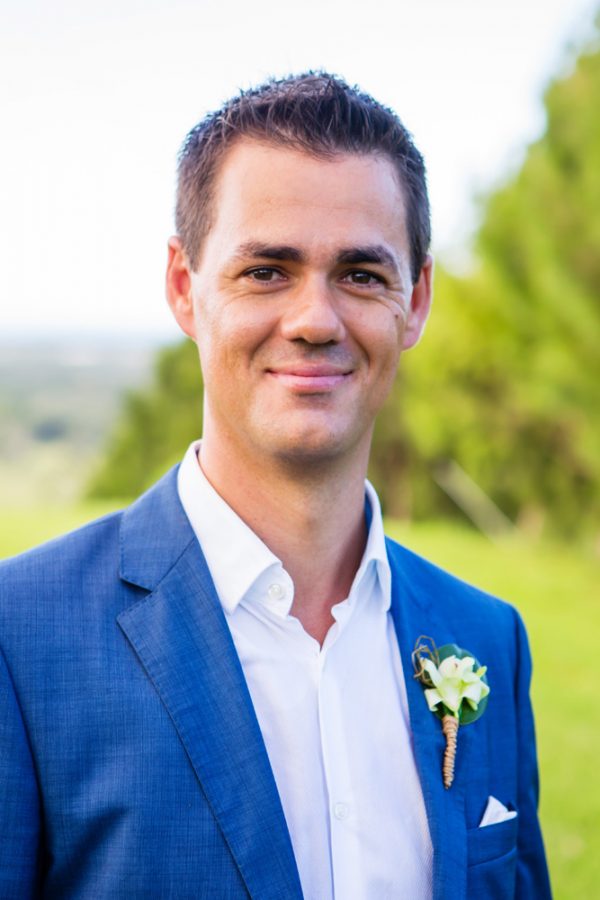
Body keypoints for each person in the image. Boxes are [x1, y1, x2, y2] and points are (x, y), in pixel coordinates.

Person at [0, 73, 550, 899]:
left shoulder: (486, 639)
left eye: (361, 274)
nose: (315, 320)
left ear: (416, 301)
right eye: (266, 271)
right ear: (184, 287)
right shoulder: (19, 637)